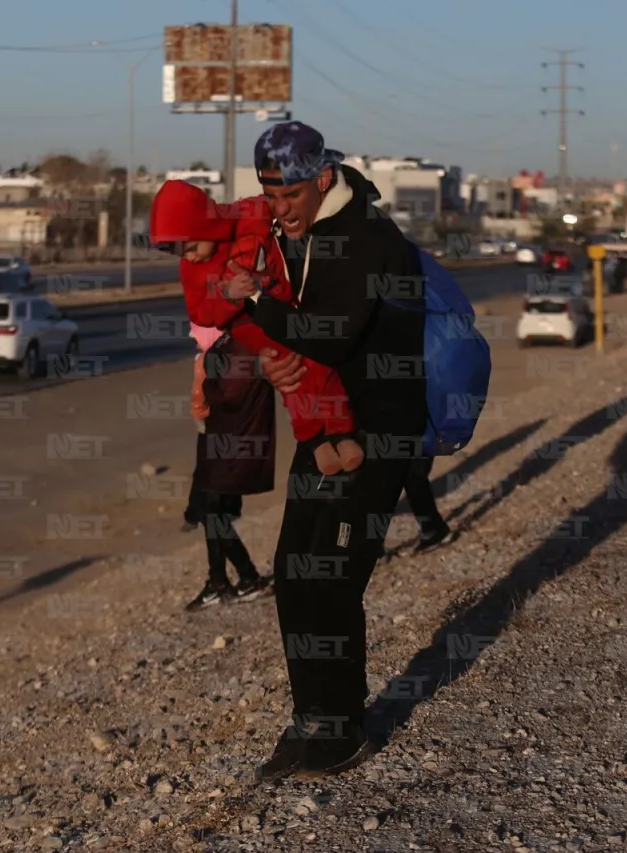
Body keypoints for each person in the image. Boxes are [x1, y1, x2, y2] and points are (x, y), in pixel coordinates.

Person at [221, 121, 428, 782]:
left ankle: (342, 729)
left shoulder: (369, 236)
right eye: (266, 192)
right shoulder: (294, 235)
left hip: (376, 432)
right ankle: (311, 715)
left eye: (285, 192)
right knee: (294, 570)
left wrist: (253, 299)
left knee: (333, 578)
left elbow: (332, 335)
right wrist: (274, 358)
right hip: (325, 425)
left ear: (320, 177)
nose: (275, 206)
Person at [150, 179, 365, 477]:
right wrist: (227, 296)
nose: (190, 257)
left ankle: (342, 433)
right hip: (249, 326)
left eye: (192, 247)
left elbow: (277, 203)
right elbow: (201, 313)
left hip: (288, 306)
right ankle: (315, 440)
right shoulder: (192, 270)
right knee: (291, 375)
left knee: (320, 361)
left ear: (206, 227)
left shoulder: (245, 216)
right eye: (180, 253)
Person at [181, 323, 276, 611]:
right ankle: (220, 580)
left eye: (197, 331)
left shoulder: (213, 359)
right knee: (214, 514)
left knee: (213, 514)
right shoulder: (240, 351)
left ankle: (246, 577)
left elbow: (205, 406)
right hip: (230, 446)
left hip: (219, 445)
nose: (193, 337)